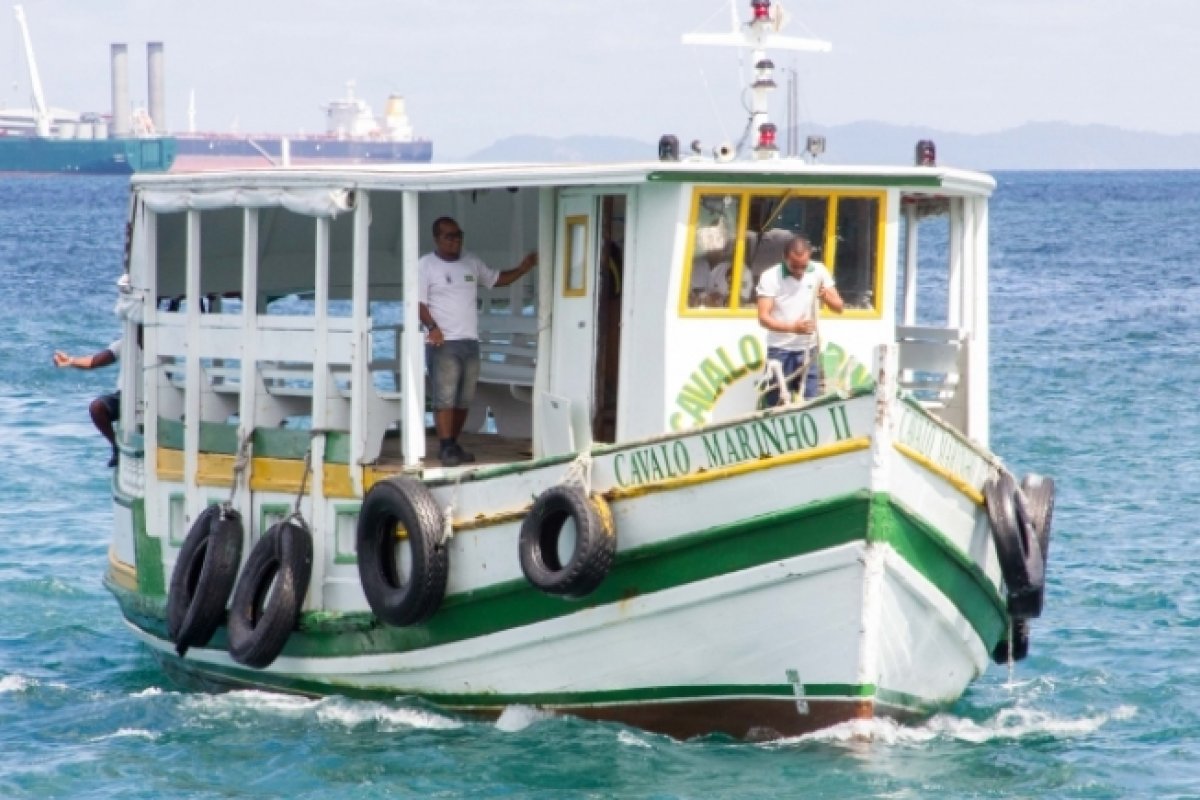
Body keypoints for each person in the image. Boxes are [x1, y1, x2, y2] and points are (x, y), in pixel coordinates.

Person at [418, 216, 537, 467]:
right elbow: (418, 303)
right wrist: (432, 327)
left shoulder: (471, 262)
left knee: (464, 398)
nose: (455, 240)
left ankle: (453, 442)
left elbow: (497, 279)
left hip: (469, 341)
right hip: (443, 343)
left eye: (458, 235)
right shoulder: (426, 266)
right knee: (445, 397)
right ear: (437, 239)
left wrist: (524, 267)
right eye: (449, 236)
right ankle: (445, 446)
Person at [755, 235, 845, 405]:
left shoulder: (819, 271)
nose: (799, 271)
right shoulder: (770, 276)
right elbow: (763, 318)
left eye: (803, 266)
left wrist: (826, 297)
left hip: (808, 350)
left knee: (813, 404)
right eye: (793, 266)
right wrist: (793, 328)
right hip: (780, 350)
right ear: (784, 257)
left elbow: (839, 307)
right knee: (775, 406)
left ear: (809, 257)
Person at [54, 339, 124, 467]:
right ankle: (116, 446)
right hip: (126, 397)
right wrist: (70, 361)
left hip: (156, 395)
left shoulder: (162, 341)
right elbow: (94, 361)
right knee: (97, 407)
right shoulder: (125, 343)